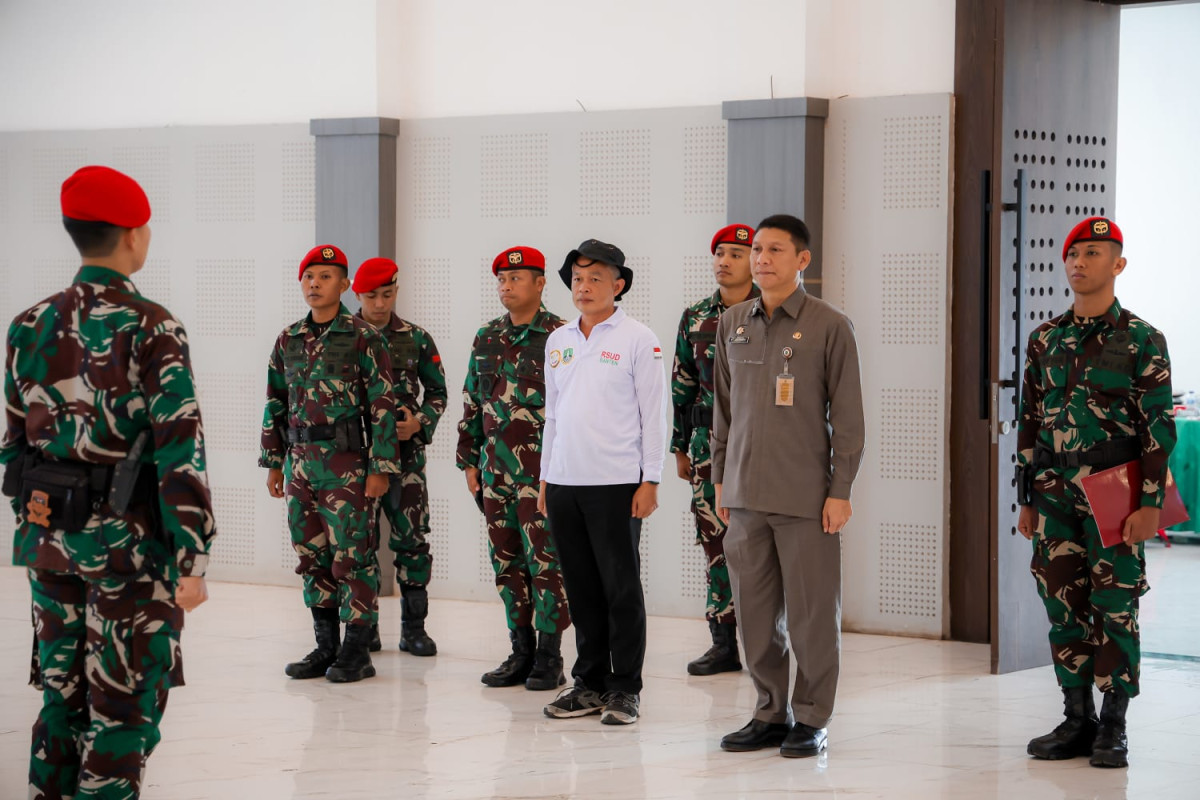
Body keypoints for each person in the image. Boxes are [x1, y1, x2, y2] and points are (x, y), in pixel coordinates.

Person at [0, 165, 217, 799]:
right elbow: (179, 450)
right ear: (132, 234)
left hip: (49, 540)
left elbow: (14, 444)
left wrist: (43, 521)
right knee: (122, 709)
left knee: (61, 700)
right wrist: (191, 557)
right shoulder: (152, 326)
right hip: (129, 549)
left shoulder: (28, 323)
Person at [1017, 217, 1174, 769]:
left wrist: (1150, 503)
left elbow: (1159, 429)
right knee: (1063, 604)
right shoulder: (1045, 339)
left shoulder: (1142, 339)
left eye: (1093, 253)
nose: (1079, 263)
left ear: (1118, 264)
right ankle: (1076, 718)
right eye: (1073, 254)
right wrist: (1027, 497)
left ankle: (1114, 725)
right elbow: (1029, 420)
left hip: (1114, 488)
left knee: (1115, 605)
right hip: (1054, 490)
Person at [712, 213, 865, 757]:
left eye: (775, 250)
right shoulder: (733, 322)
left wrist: (841, 490)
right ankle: (769, 712)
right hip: (743, 496)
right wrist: (719, 480)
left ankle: (813, 717)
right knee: (755, 617)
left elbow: (848, 418)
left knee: (811, 616)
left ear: (802, 260)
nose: (761, 259)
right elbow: (723, 410)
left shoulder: (830, 325)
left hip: (805, 498)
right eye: (757, 249)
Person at [538, 238, 667, 725]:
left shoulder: (638, 338)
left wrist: (650, 480)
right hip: (565, 484)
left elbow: (654, 416)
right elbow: (553, 416)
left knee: (620, 589)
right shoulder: (558, 340)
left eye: (595, 278)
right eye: (577, 279)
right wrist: (546, 478)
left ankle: (625, 688)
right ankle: (588, 683)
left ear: (618, 285)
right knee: (581, 589)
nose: (584, 287)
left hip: (617, 485)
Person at [260, 244, 400, 683]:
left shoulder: (363, 337)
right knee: (312, 557)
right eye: (309, 276)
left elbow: (382, 405)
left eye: (325, 276)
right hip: (300, 466)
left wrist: (380, 468)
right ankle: (326, 647)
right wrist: (273, 461)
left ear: (344, 285)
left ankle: (357, 650)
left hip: (347, 466)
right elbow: (276, 401)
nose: (315, 284)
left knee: (352, 557)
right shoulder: (288, 339)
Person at [456, 246, 571, 691]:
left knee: (546, 562)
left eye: (516, 278)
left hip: (542, 475)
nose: (506, 286)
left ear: (540, 283)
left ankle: (549, 656)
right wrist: (469, 460)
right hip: (495, 473)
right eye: (501, 279)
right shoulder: (487, 336)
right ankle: (520, 651)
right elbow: (473, 399)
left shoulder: (561, 335)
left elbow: (575, 405)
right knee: (506, 562)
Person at [670, 223, 760, 676]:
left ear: (755, 262)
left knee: (762, 545)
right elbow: (681, 385)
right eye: (720, 253)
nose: (724, 261)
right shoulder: (696, 317)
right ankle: (723, 643)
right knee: (715, 542)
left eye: (736, 254)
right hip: (707, 448)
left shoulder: (770, 311)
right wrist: (680, 448)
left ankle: (767, 641)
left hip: (761, 445)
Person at [353, 257, 447, 657]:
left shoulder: (416, 338)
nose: (379, 304)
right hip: (356, 459)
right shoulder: (343, 336)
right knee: (361, 543)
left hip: (406, 459)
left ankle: (414, 629)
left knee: (412, 541)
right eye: (371, 296)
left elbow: (438, 392)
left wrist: (419, 423)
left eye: (387, 294)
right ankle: (365, 628)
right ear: (357, 294)